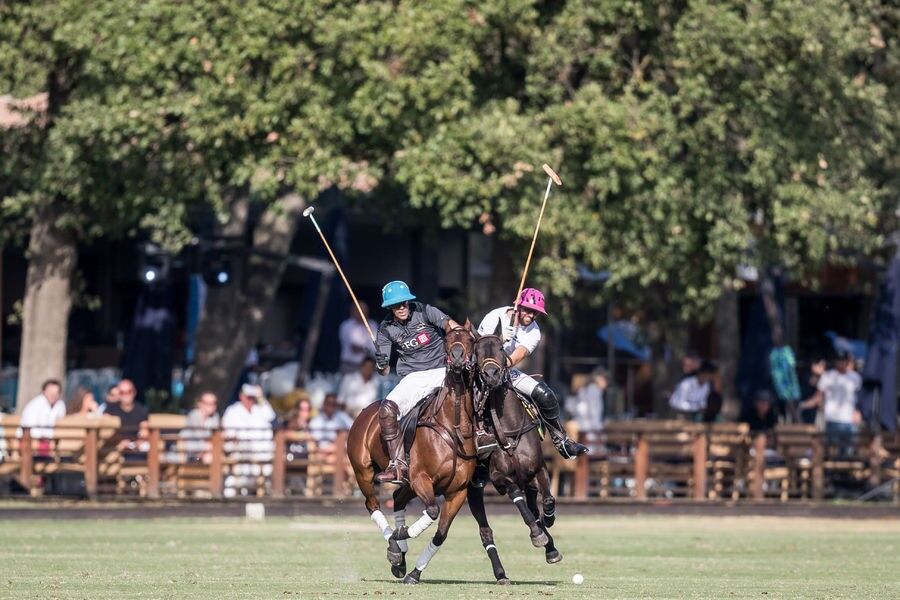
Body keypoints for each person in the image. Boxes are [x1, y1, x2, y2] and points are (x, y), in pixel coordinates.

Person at [477, 288, 588, 458]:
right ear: (518, 305)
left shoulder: (534, 331)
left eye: (535, 312)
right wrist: (498, 338)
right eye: (528, 310)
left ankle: (561, 440)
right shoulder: (495, 316)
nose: (531, 315)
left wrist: (503, 357)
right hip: (482, 370)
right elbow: (479, 346)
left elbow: (516, 357)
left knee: (544, 394)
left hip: (506, 370)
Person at [373, 280, 462, 484]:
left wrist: (459, 338)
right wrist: (380, 362)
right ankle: (397, 464)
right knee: (387, 410)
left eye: (404, 303)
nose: (402, 308)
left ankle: (482, 439)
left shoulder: (425, 311)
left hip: (442, 371)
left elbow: (452, 327)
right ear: (389, 307)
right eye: (396, 305)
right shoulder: (386, 329)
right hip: (413, 378)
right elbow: (384, 371)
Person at [800, 351, 862, 445]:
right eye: (839, 360)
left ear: (847, 362)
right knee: (832, 450)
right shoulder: (827, 376)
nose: (841, 363)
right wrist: (802, 405)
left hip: (850, 420)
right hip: (832, 419)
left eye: (843, 360)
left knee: (850, 453)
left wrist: (859, 412)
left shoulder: (855, 377)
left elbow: (860, 398)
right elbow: (818, 397)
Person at [565, 366, 608, 435]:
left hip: (586, 428)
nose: (606, 383)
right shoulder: (593, 391)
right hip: (588, 430)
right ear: (598, 378)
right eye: (605, 379)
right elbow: (592, 413)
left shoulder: (592, 390)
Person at [338, 302, 379, 374]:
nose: (362, 314)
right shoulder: (346, 325)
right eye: (359, 311)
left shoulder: (373, 325)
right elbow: (354, 347)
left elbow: (376, 346)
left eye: (364, 311)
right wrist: (367, 349)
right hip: (350, 365)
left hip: (369, 365)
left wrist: (365, 349)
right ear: (353, 312)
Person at [182, 391, 220, 463]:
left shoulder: (214, 417)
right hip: (188, 448)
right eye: (208, 403)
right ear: (200, 404)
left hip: (205, 449)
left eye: (214, 403)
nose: (212, 406)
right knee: (210, 450)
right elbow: (198, 436)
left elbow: (216, 435)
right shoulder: (194, 415)